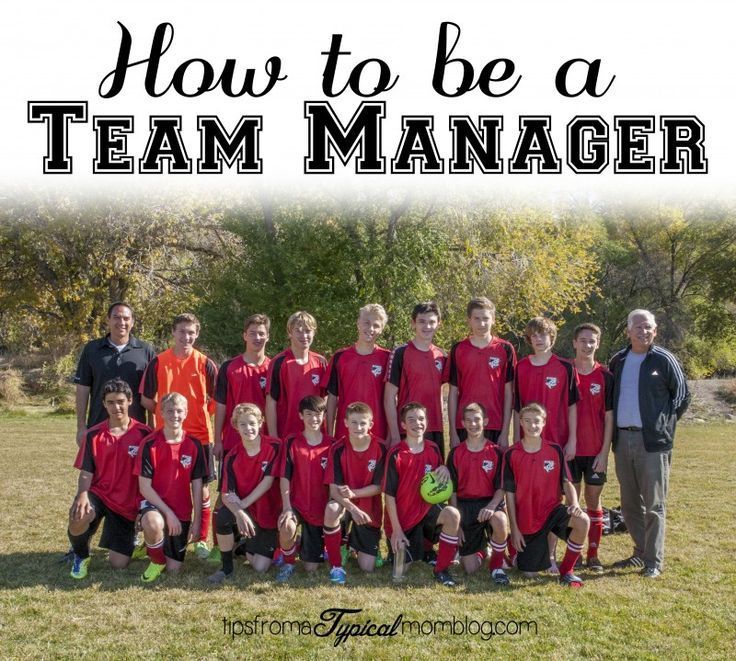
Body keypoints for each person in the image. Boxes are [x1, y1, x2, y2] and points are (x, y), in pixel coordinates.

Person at [610, 309, 690, 578]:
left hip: (653, 443)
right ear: (628, 331)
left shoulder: (665, 360)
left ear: (655, 331)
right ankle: (640, 552)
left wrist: (662, 425)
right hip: (623, 440)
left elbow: (682, 397)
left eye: (649, 327)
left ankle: (653, 561)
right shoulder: (618, 360)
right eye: (638, 327)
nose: (643, 331)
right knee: (630, 502)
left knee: (654, 505)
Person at [140, 313, 218, 558]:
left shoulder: (205, 363)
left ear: (198, 334)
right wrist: (165, 416)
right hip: (166, 437)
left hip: (200, 437)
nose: (187, 337)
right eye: (182, 331)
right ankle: (153, 538)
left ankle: (201, 539)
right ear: (173, 332)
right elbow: (145, 398)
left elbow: (216, 401)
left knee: (202, 490)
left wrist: (198, 414)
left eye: (191, 332)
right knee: (163, 488)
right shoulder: (159, 362)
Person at [67, 378, 153, 579]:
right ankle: (81, 555)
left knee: (118, 564)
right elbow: (87, 472)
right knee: (78, 516)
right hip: (99, 495)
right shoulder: (93, 434)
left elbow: (151, 477)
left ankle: (129, 537)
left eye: (121, 401)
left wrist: (144, 507)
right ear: (104, 404)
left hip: (127, 504)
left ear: (130, 401)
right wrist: (82, 494)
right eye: (111, 402)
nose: (117, 407)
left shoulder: (144, 434)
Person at [503, 403, 590, 587]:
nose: (532, 425)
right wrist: (514, 529)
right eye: (527, 421)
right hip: (527, 518)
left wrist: (574, 503)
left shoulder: (554, 450)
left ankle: (566, 571)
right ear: (520, 422)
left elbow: (567, 482)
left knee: (583, 520)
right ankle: (516, 553)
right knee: (529, 573)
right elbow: (509, 494)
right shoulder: (512, 453)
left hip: (552, 511)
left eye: (537, 421)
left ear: (544, 423)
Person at [383, 402, 461, 587]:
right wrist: (396, 530)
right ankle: (413, 551)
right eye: (411, 420)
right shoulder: (396, 454)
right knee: (399, 574)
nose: (417, 423)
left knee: (452, 514)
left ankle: (441, 569)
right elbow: (389, 495)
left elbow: (438, 482)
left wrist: (444, 470)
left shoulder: (433, 448)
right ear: (403, 425)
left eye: (421, 419)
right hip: (404, 521)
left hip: (426, 513)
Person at [135, 392, 207, 583]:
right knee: (153, 523)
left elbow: (198, 485)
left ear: (186, 413)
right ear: (161, 413)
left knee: (174, 569)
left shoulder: (194, 445)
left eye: (179, 411)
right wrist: (169, 514)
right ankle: (156, 556)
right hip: (155, 506)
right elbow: (145, 488)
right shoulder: (149, 444)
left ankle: (152, 543)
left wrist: (197, 521)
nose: (174, 415)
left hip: (181, 511)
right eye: (169, 411)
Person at [207, 403, 282, 583]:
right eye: (243, 424)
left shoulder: (275, 446)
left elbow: (268, 482)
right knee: (222, 516)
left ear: (260, 423)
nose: (248, 428)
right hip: (245, 509)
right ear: (235, 426)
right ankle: (226, 568)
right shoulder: (232, 456)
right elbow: (226, 494)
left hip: (268, 511)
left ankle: (244, 544)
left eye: (252, 423)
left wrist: (242, 505)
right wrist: (240, 513)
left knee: (259, 566)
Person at [323, 402, 387, 585]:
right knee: (332, 509)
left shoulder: (380, 448)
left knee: (368, 567)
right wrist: (352, 508)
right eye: (354, 422)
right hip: (344, 505)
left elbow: (379, 487)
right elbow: (334, 491)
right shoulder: (337, 448)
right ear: (345, 423)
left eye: (362, 423)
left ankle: (353, 543)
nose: (358, 427)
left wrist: (353, 493)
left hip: (368, 507)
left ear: (371, 424)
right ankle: (336, 563)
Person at [73, 302, 155, 446]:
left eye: (126, 318)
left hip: (136, 430)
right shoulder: (92, 349)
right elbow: (82, 389)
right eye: (116, 317)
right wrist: (81, 426)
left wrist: (151, 426)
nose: (121, 322)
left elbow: (152, 392)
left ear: (132, 321)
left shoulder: (146, 351)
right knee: (97, 469)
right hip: (99, 427)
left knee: (133, 469)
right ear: (108, 320)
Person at [447, 403, 510, 585]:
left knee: (500, 520)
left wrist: (491, 506)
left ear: (486, 421)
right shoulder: (456, 452)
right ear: (463, 423)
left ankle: (497, 566)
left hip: (489, 503)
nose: (473, 424)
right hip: (466, 506)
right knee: (470, 569)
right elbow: (453, 490)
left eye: (477, 419)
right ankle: (483, 550)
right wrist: (456, 523)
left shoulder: (496, 452)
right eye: (468, 421)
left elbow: (501, 487)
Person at [275, 396, 333, 582]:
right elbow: (285, 476)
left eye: (318, 414)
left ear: (324, 415)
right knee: (287, 526)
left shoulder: (331, 445)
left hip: (319, 509)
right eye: (309, 414)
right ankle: (289, 562)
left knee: (311, 568)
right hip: (297, 505)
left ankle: (301, 544)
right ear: (300, 416)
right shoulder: (291, 442)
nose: (313, 419)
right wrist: (286, 507)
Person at [571, 323, 614, 572]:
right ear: (574, 343)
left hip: (595, 451)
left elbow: (609, 417)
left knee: (593, 500)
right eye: (583, 340)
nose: (587, 345)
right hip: (572, 450)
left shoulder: (606, 376)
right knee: (573, 502)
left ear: (598, 344)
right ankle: (574, 552)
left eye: (592, 341)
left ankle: (593, 554)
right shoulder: (566, 371)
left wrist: (604, 453)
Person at [446, 297, 516, 449]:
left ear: (494, 320)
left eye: (486, 318)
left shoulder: (505, 349)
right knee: (463, 471)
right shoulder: (458, 349)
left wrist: (505, 432)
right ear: (469, 320)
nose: (482, 323)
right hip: (465, 423)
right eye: (476, 318)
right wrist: (452, 432)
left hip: (495, 424)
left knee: (494, 472)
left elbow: (509, 393)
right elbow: (453, 392)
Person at [384, 302, 447, 456]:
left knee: (434, 479)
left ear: (438, 324)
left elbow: (440, 393)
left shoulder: (442, 355)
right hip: (408, 427)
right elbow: (389, 397)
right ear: (413, 323)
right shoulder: (400, 353)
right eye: (422, 321)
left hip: (434, 429)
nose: (427, 326)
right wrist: (394, 434)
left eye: (432, 322)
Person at [323, 304, 390, 442]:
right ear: (358, 323)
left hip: (378, 435)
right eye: (366, 323)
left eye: (376, 325)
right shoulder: (340, 357)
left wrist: (391, 435)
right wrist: (329, 433)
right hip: (345, 433)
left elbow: (392, 400)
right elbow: (332, 398)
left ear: (382, 329)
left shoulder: (388, 358)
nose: (371, 328)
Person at [213, 314, 271, 463]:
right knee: (232, 485)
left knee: (263, 485)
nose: (257, 337)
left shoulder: (274, 368)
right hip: (233, 439)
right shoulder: (229, 367)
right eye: (252, 333)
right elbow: (220, 406)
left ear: (268, 337)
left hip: (264, 441)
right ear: (245, 336)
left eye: (261, 334)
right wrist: (218, 440)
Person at [265, 311, 327, 439]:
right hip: (287, 434)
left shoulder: (321, 362)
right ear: (289, 333)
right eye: (298, 331)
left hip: (316, 436)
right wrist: (273, 437)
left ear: (314, 332)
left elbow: (326, 399)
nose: (304, 335)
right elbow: (271, 401)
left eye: (308, 330)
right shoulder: (279, 362)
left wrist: (328, 433)